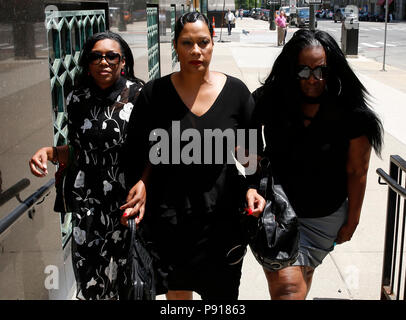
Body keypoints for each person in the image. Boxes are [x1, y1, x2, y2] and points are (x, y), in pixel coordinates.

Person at [123, 12, 263, 300]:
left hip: (221, 219)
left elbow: (251, 156)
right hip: (170, 218)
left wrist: (252, 187)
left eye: (203, 42)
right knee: (177, 294)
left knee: (222, 296)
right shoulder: (155, 94)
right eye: (187, 43)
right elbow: (138, 150)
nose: (196, 51)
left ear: (213, 45)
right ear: (175, 46)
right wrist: (141, 183)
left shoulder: (236, 93)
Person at [251, 29, 383, 300]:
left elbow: (357, 170)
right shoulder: (271, 100)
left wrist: (353, 221)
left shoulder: (350, 113)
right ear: (291, 70)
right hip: (277, 214)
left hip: (324, 216)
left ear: (331, 70)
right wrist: (255, 171)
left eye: (320, 71)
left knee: (302, 276)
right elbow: (244, 139)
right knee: (288, 288)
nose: (312, 79)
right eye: (303, 71)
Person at [29, 31, 144, 300]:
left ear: (123, 61)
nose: (104, 61)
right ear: (87, 63)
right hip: (87, 200)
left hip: (127, 196)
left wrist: (145, 184)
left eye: (111, 56)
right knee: (91, 273)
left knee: (129, 276)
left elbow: (153, 151)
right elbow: (80, 149)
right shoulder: (76, 98)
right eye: (96, 56)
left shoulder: (140, 95)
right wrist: (49, 152)